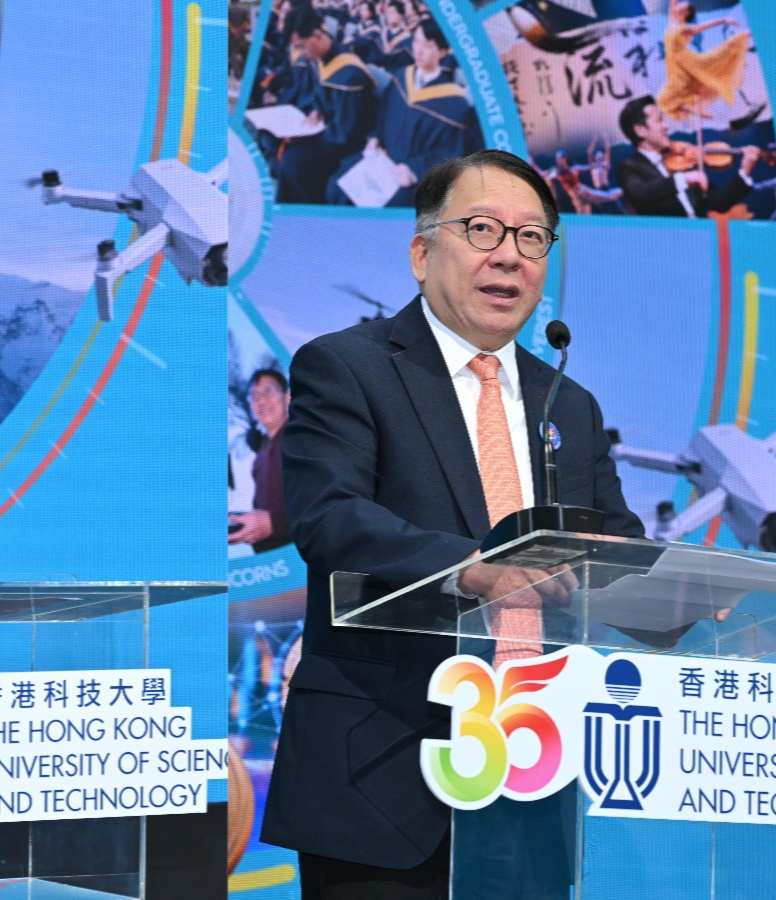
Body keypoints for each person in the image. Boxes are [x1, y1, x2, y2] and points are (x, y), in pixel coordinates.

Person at [260, 149, 643, 897]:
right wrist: (473, 568)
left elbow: (615, 542)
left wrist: (682, 594)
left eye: (533, 238)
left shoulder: (570, 403)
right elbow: (330, 520)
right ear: (421, 252)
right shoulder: (346, 367)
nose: (510, 256)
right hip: (384, 772)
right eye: (483, 229)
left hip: (534, 767)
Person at [325, 22, 479, 208]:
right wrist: (375, 137)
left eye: (427, 46)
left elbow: (449, 153)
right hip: (382, 160)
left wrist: (414, 170)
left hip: (412, 177)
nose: (418, 51)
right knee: (336, 187)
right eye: (416, 42)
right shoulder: (401, 77)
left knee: (380, 210)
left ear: (443, 52)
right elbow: (383, 114)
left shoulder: (454, 104)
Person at [275, 9, 377, 204]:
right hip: (331, 131)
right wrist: (316, 111)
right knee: (285, 150)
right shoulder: (322, 59)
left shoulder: (348, 74)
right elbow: (322, 98)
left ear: (317, 36)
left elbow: (347, 133)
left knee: (294, 162)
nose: (301, 54)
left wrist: (305, 136)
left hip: (350, 143)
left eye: (302, 47)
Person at [614, 95, 757, 218]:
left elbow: (719, 203)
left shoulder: (681, 160)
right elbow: (641, 194)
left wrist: (745, 172)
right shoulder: (629, 166)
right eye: (659, 121)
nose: (666, 126)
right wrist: (683, 179)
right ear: (640, 131)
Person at [232, 367, 293, 552]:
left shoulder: (302, 438)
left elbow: (327, 504)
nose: (261, 400)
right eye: (254, 396)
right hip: (274, 563)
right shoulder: (262, 452)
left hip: (302, 561)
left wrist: (275, 523)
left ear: (287, 397)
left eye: (269, 390)